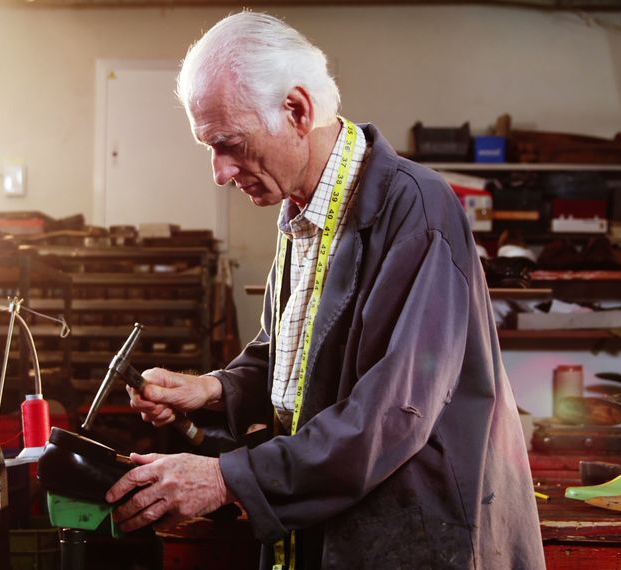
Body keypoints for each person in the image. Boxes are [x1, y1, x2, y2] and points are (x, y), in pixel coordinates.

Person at [105, 11, 546, 569]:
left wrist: (225, 478)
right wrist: (211, 391)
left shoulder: (417, 210)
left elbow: (391, 414)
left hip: (413, 540)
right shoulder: (301, 212)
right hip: (328, 528)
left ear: (296, 110)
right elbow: (290, 356)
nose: (218, 171)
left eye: (228, 143)